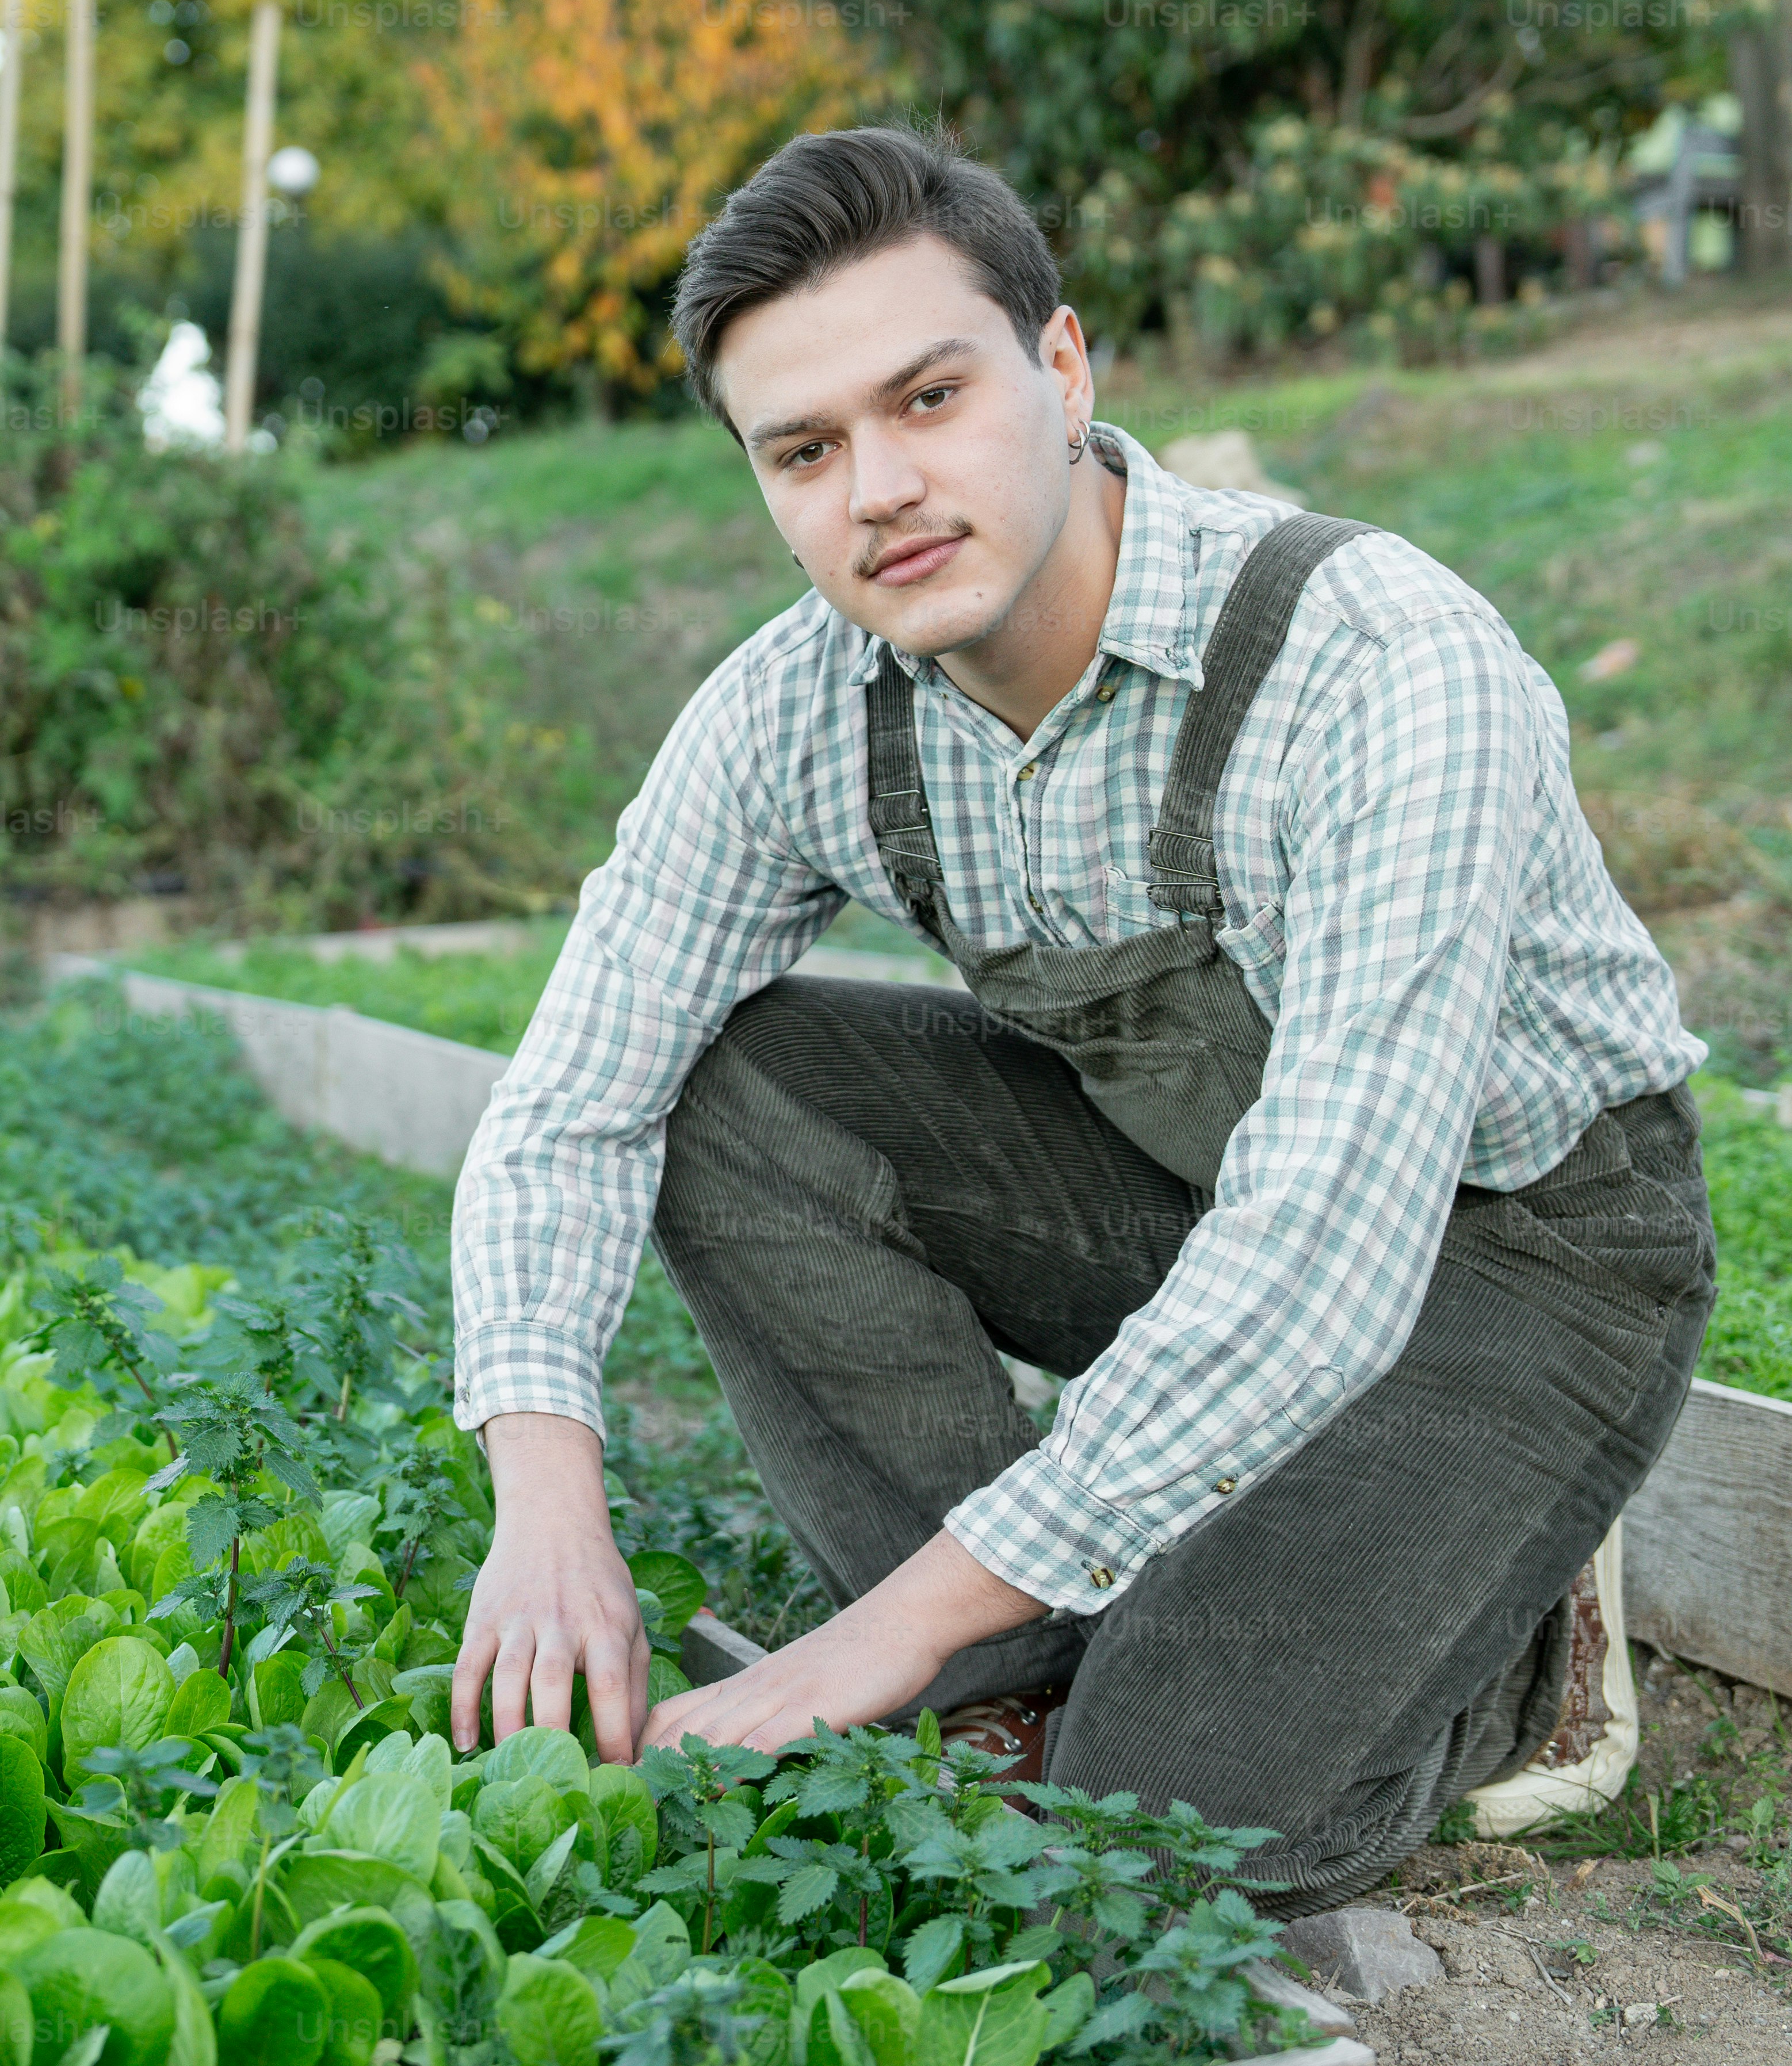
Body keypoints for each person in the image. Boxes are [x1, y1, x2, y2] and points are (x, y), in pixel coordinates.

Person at [448, 124, 1714, 1911]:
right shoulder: (789, 714)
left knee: (1161, 1825)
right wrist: (546, 1509)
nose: (877, 486)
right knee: (725, 1088)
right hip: (1181, 1192)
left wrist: (848, 1649)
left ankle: (1508, 1641)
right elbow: (570, 1102)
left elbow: (1328, 1248)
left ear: (1058, 369)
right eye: (803, 451)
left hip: (1513, 1250)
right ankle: (1000, 1664)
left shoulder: (1377, 659)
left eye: (929, 398)